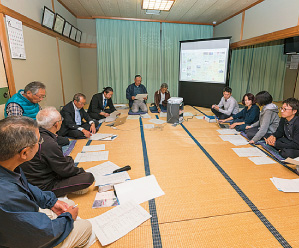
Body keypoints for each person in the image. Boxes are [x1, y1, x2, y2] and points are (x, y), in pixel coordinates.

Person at [0, 116, 92, 248]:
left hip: (16, 223)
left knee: (67, 204)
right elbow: (41, 234)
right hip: (20, 240)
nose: (41, 142)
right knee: (85, 226)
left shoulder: (8, 165)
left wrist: (51, 202)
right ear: (24, 153)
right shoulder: (7, 197)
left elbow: (26, 187)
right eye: (39, 141)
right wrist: (68, 218)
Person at [20, 107, 95, 197]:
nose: (62, 121)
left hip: (34, 176)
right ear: (56, 124)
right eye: (61, 120)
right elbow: (66, 170)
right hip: (43, 185)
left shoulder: (35, 134)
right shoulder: (48, 143)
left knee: (67, 158)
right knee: (88, 178)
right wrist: (81, 171)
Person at [5, 81, 69, 146]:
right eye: (40, 96)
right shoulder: (15, 104)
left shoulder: (33, 100)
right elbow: (16, 129)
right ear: (29, 93)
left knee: (63, 140)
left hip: (38, 131)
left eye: (43, 96)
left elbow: (42, 119)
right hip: (26, 136)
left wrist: (49, 131)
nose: (41, 99)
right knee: (52, 144)